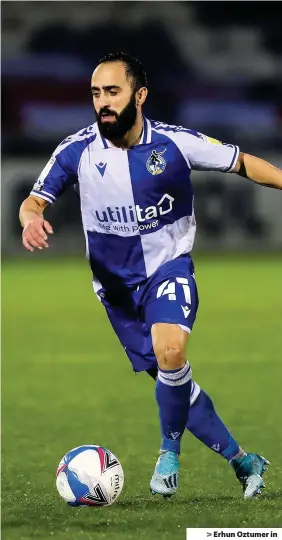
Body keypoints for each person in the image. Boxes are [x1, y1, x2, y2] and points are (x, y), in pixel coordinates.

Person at [19, 52, 281, 500]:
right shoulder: (76, 150)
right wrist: (29, 219)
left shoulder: (176, 142)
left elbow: (242, 162)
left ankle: (168, 451)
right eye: (96, 93)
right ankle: (243, 460)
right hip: (116, 291)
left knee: (171, 348)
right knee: (173, 376)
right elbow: (33, 201)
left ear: (139, 96)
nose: (102, 102)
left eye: (113, 92)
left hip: (168, 268)